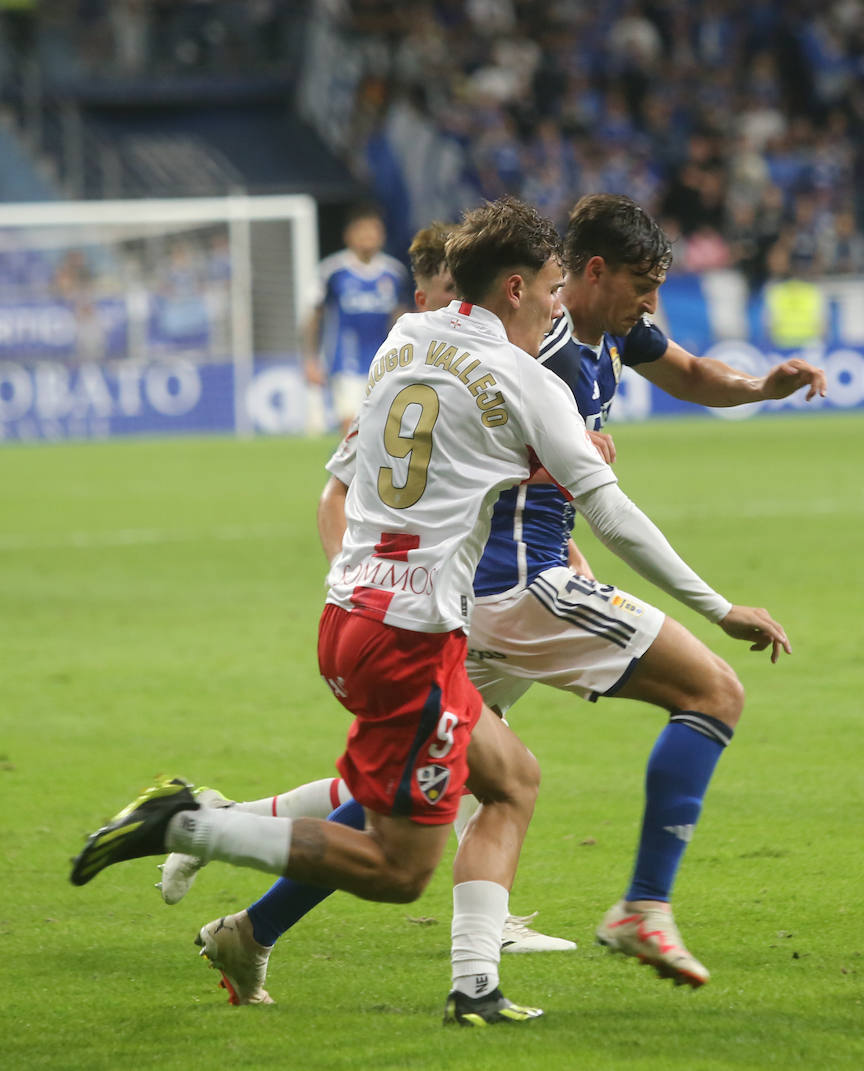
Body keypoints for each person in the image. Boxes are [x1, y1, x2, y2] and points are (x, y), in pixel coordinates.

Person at [71, 196, 791, 1027]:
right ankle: (196, 824)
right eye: (552, 289)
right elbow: (614, 513)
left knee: (505, 778)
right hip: (413, 632)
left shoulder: (406, 339)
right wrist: (718, 604)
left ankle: (468, 985)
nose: (557, 306)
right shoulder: (529, 378)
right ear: (517, 287)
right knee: (398, 863)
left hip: (363, 612)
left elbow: (379, 462)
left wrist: (539, 457)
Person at [302, 203, 409, 437]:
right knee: (352, 426)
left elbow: (400, 318)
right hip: (345, 360)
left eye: (374, 230)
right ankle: (352, 474)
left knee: (385, 429)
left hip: (385, 361)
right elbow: (314, 316)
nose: (368, 236)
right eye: (363, 230)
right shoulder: (333, 271)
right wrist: (310, 359)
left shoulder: (394, 272)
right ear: (349, 235)